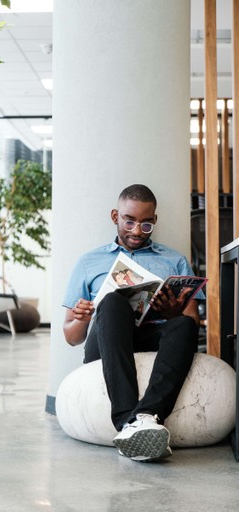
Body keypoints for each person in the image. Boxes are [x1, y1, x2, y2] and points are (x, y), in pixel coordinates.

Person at [62, 184, 204, 462]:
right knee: (114, 301)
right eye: (129, 221)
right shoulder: (89, 262)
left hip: (152, 334)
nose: (137, 231)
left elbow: (193, 320)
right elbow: (72, 337)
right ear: (115, 216)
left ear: (155, 221)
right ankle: (126, 420)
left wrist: (175, 313)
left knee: (185, 325)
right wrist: (83, 317)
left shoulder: (174, 260)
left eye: (146, 224)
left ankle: (145, 416)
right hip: (108, 340)